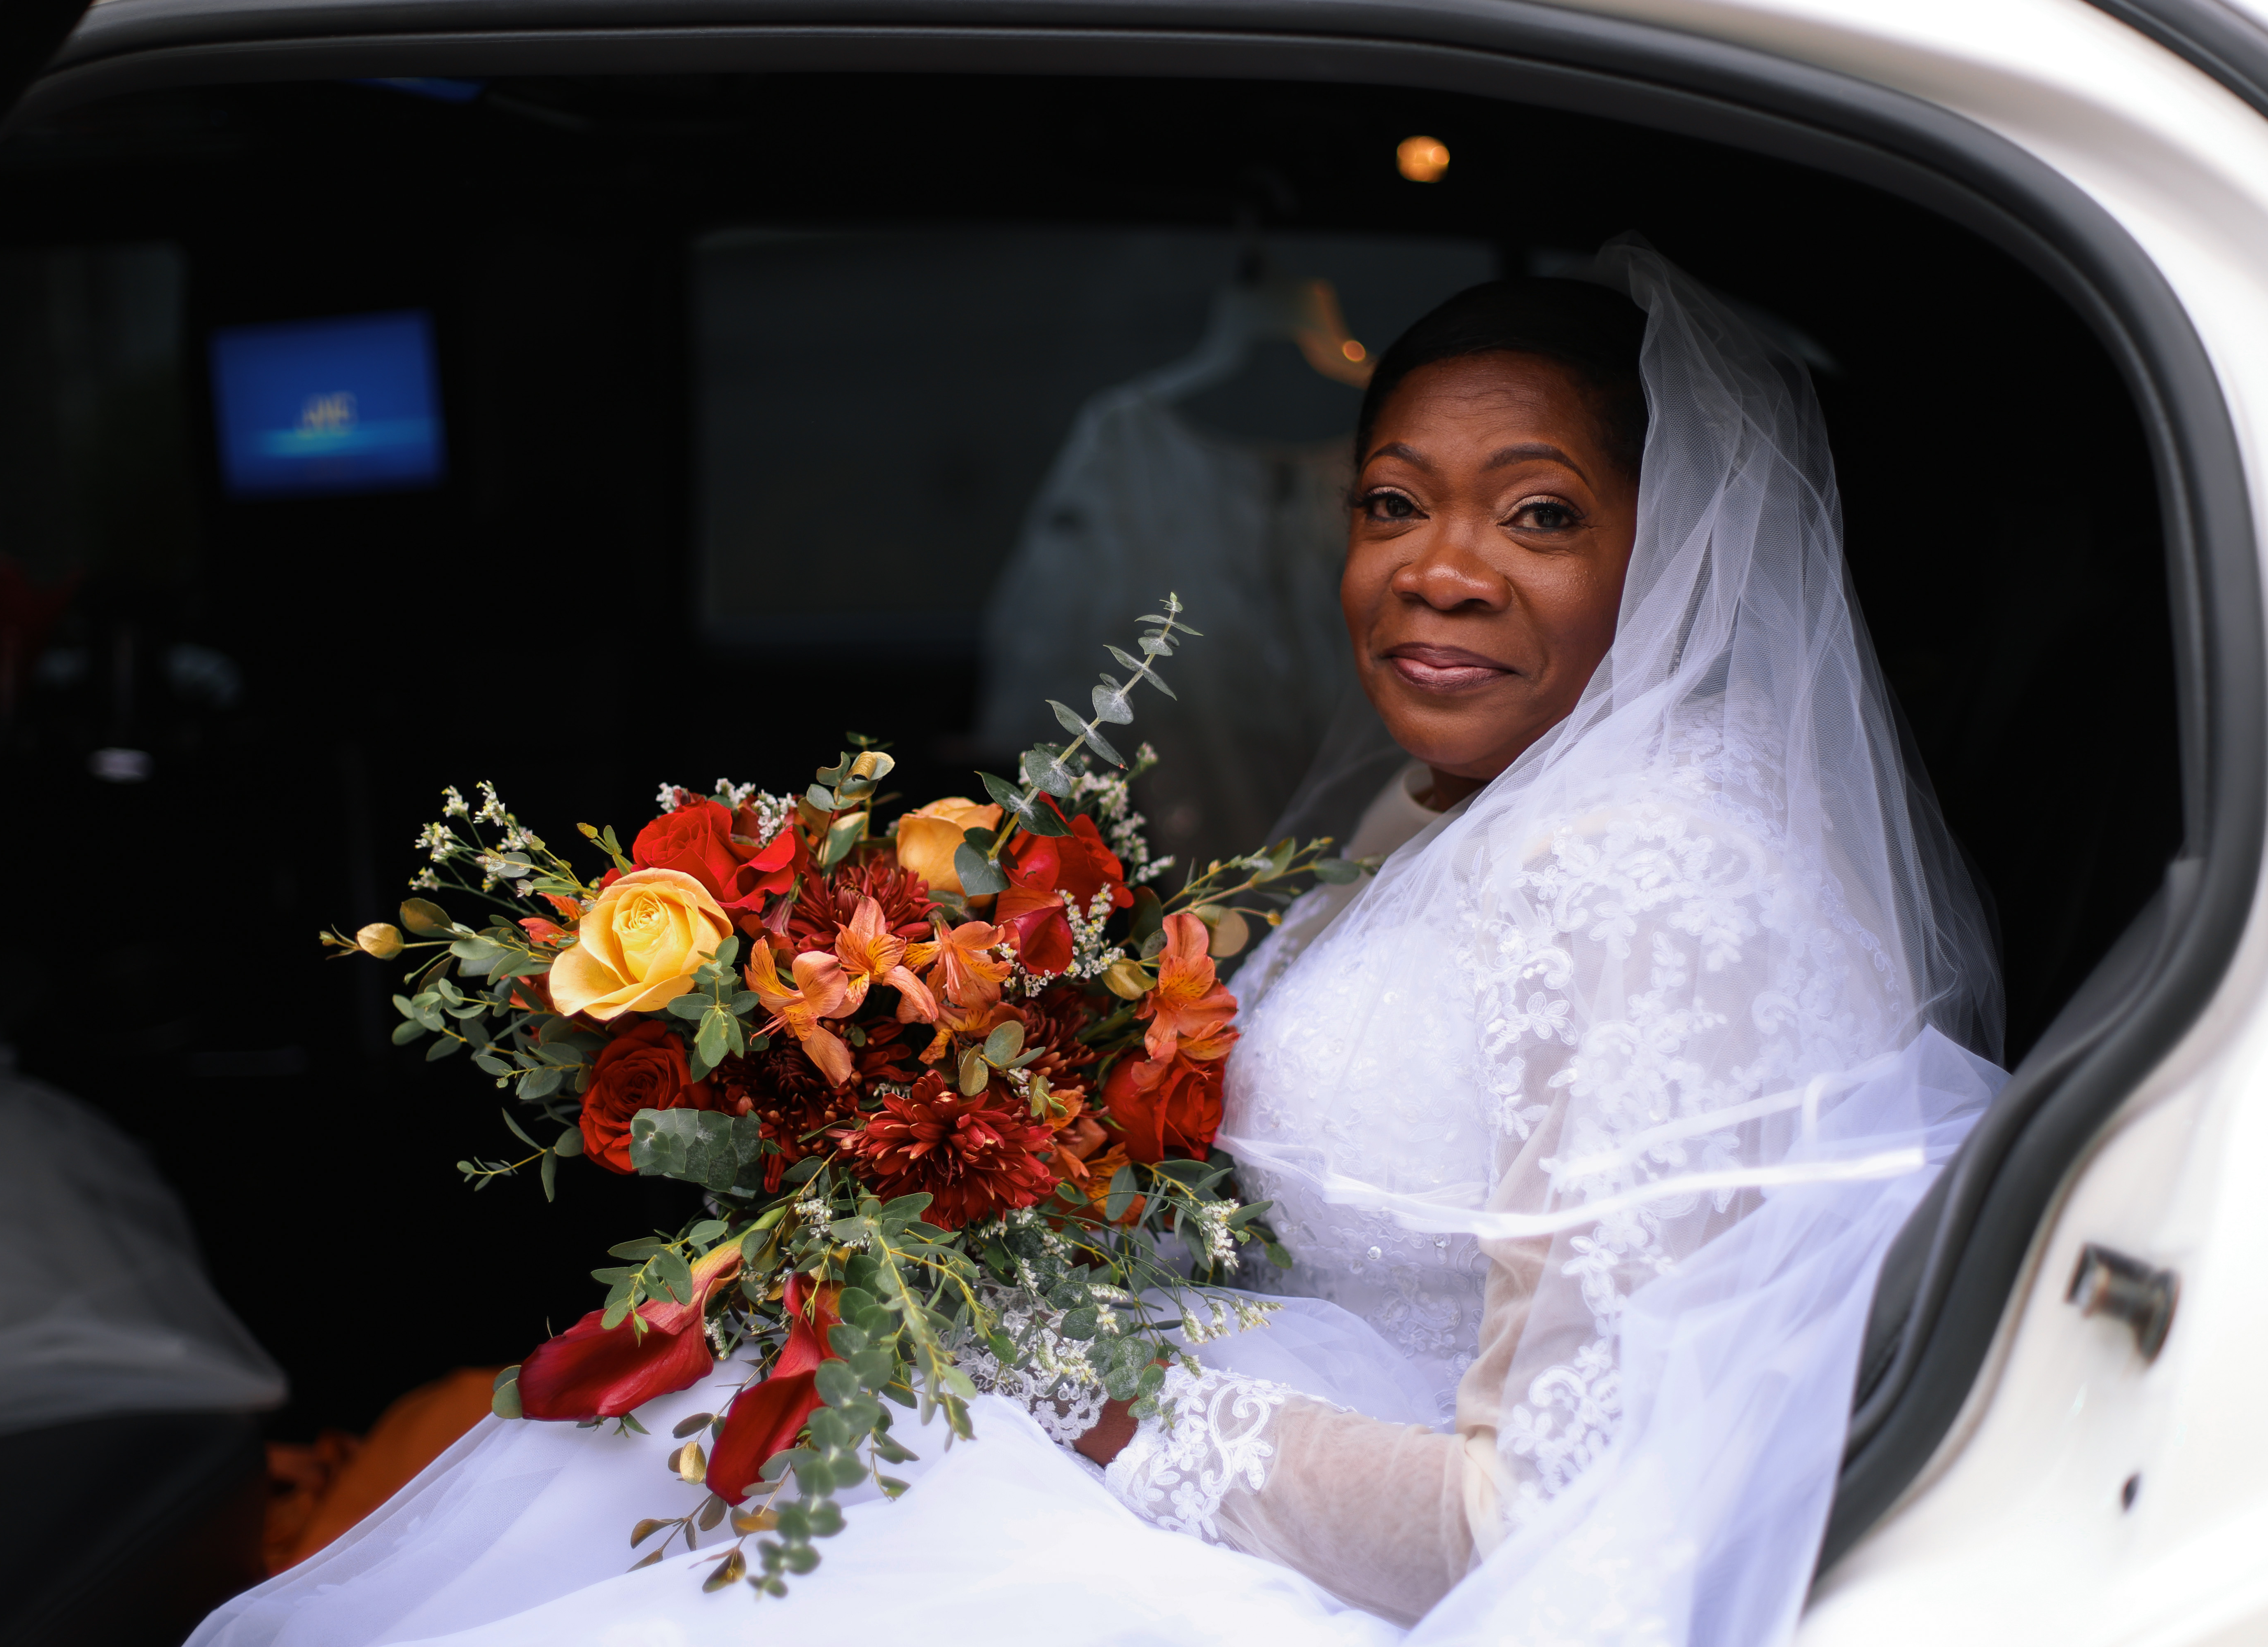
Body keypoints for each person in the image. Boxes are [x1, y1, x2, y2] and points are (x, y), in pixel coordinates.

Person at [187, 240, 2005, 1647]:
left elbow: (1541, 1512)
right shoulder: (1458, 803)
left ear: (1667, 548)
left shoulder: (1656, 873)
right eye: (1393, 501)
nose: (1439, 568)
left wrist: (1109, 1410)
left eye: (1539, 514)